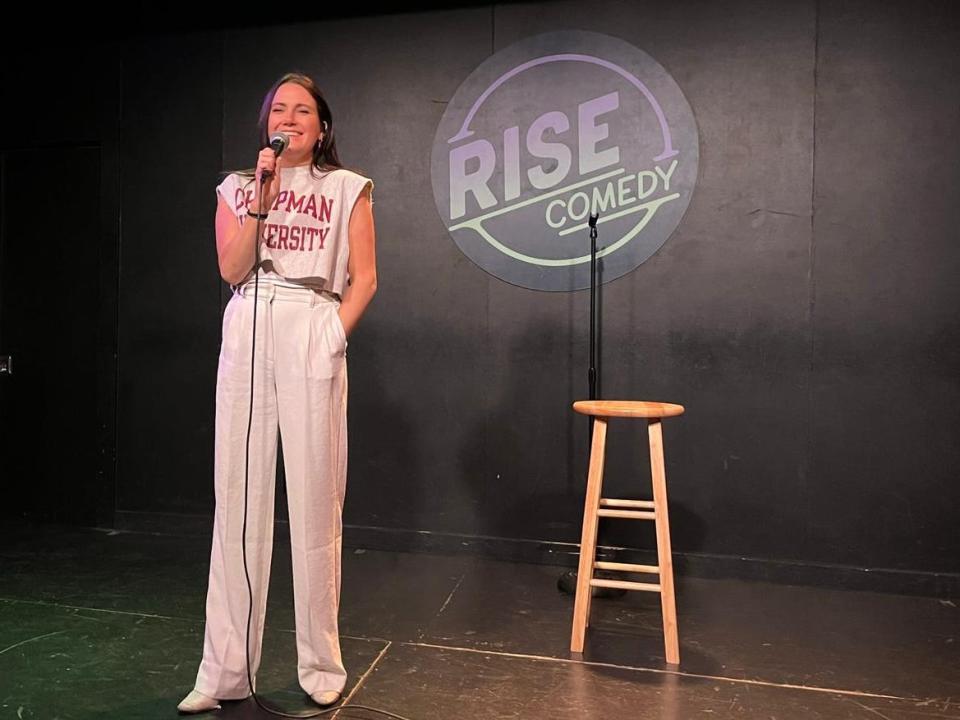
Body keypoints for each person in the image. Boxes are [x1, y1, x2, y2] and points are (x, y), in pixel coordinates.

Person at [178, 72, 377, 714]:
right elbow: (231, 270)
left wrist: (332, 336)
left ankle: (321, 663)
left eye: (302, 110)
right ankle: (224, 671)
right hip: (249, 318)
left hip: (311, 319)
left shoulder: (347, 188)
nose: (289, 117)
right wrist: (261, 197)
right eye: (278, 108)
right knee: (237, 501)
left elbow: (365, 278)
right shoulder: (238, 188)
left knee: (317, 498)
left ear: (321, 127)